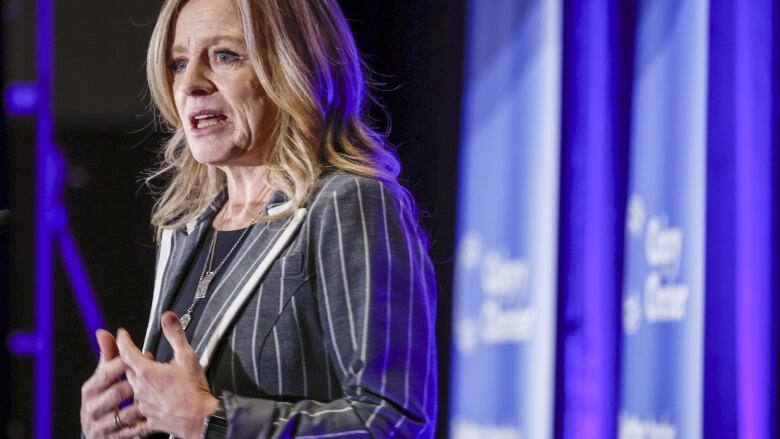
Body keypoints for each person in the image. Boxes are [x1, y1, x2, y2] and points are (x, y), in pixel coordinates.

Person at [78, 0, 437, 437]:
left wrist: (211, 421)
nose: (190, 83)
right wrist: (118, 420)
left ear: (294, 67)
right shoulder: (186, 228)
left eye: (224, 56)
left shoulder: (349, 203)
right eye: (178, 62)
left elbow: (393, 421)